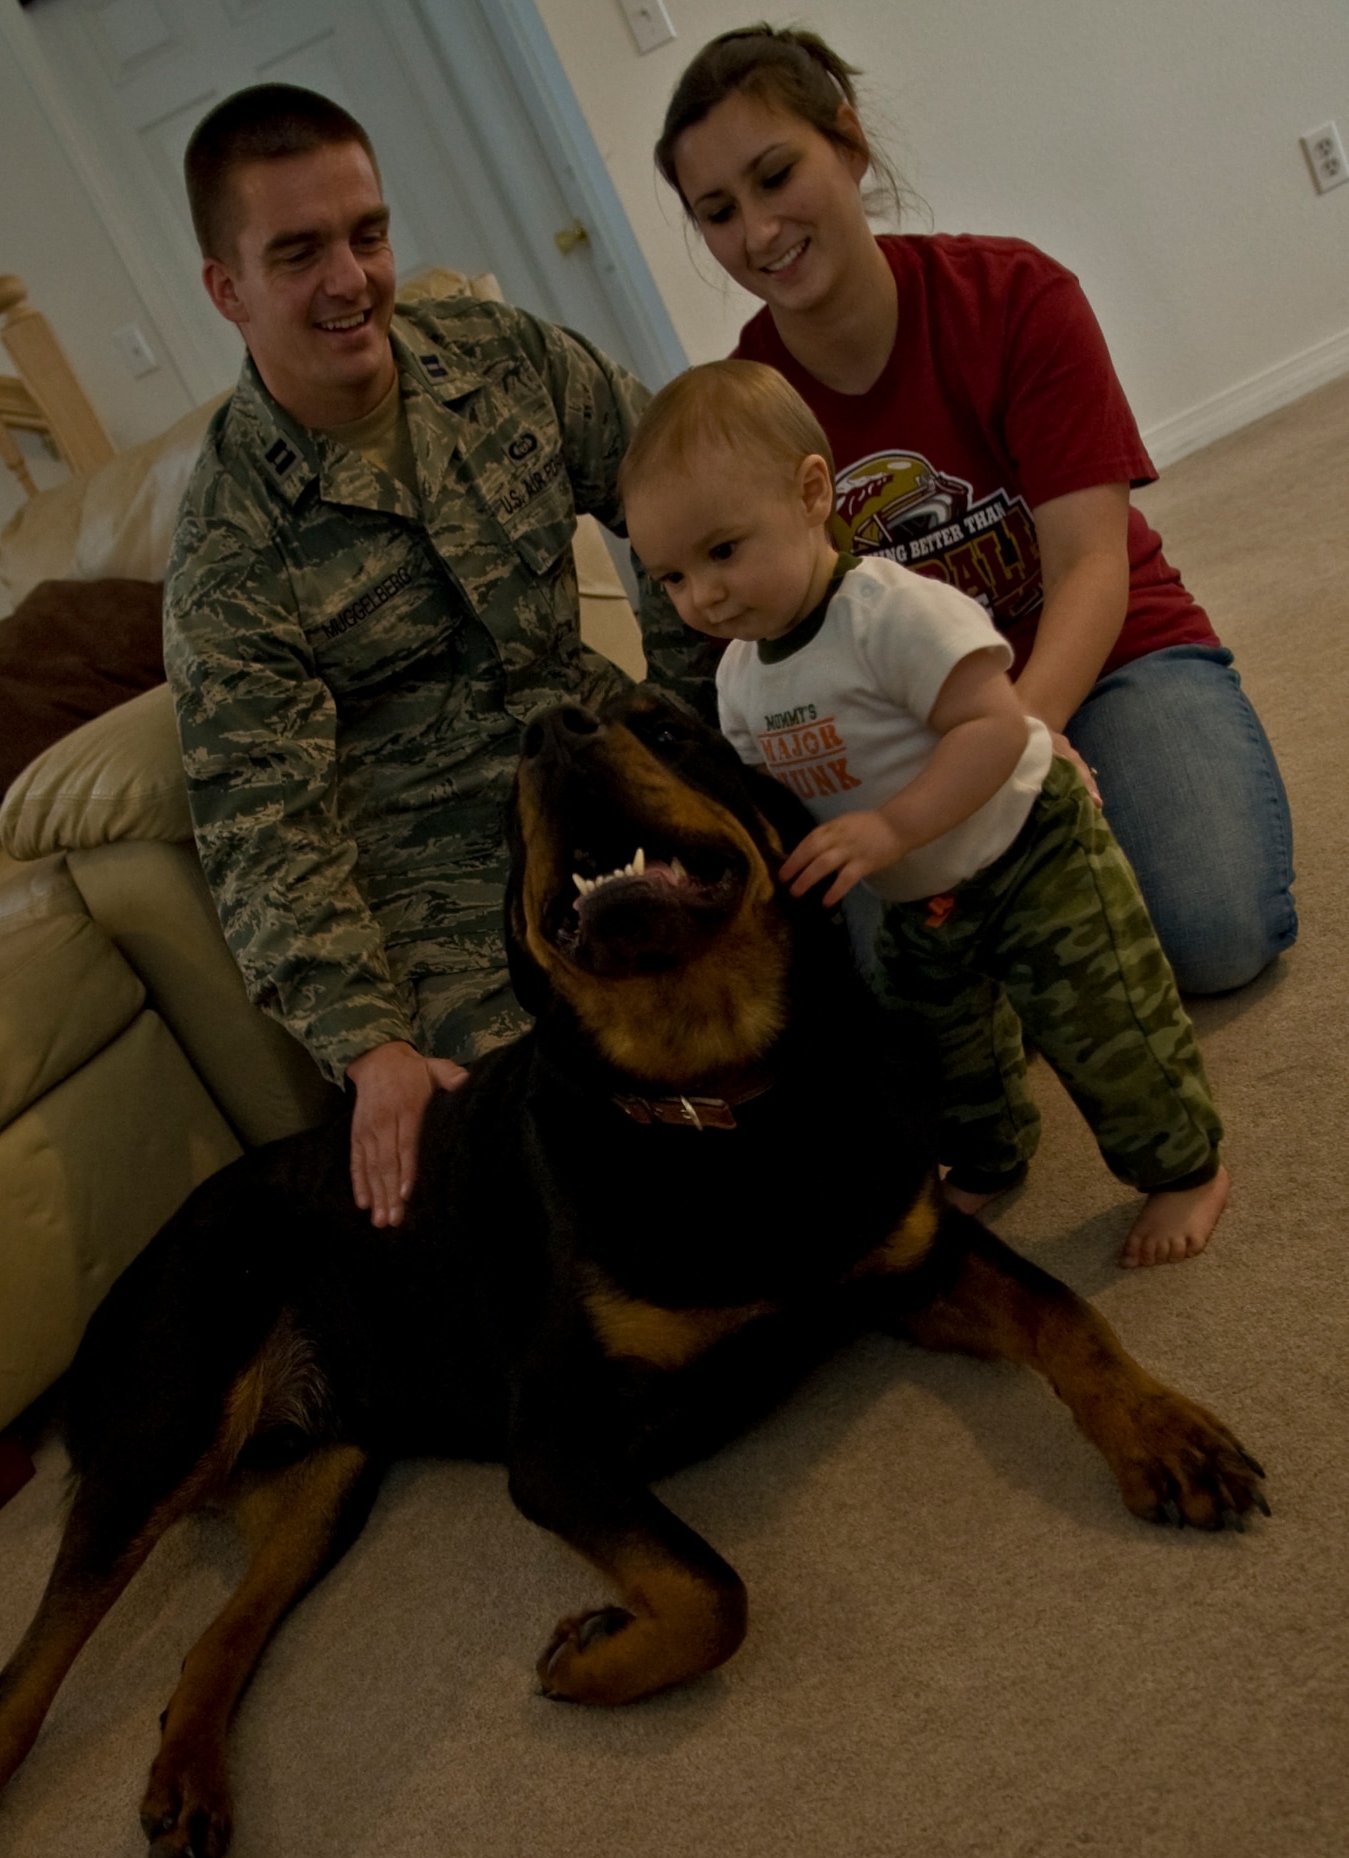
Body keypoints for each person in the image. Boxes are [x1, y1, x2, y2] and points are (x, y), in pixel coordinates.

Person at [652, 24, 1296, 999]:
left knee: (1214, 933)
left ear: (849, 144)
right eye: (717, 211)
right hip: (899, 722)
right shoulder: (740, 411)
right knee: (899, 1002)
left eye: (776, 176)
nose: (758, 232)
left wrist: (1013, 749)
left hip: (1108, 664)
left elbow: (1089, 568)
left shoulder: (1018, 297)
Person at [164, 84, 712, 1227]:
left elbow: (681, 492)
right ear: (228, 288)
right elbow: (265, 828)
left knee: (823, 915)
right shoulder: (229, 548)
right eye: (299, 252)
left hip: (606, 757)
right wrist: (371, 1046)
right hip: (449, 885)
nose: (350, 280)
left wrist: (701, 713)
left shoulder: (497, 356)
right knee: (552, 1143)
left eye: (367, 235)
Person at [620, 358, 1229, 1267]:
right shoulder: (739, 679)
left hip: (1028, 848)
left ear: (812, 494)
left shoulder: (888, 613)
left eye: (722, 552)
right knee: (937, 1054)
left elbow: (994, 726)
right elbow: (768, 804)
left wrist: (895, 828)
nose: (701, 596)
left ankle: (1185, 1168)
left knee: (1104, 1020)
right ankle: (988, 1155)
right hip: (920, 899)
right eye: (669, 577)